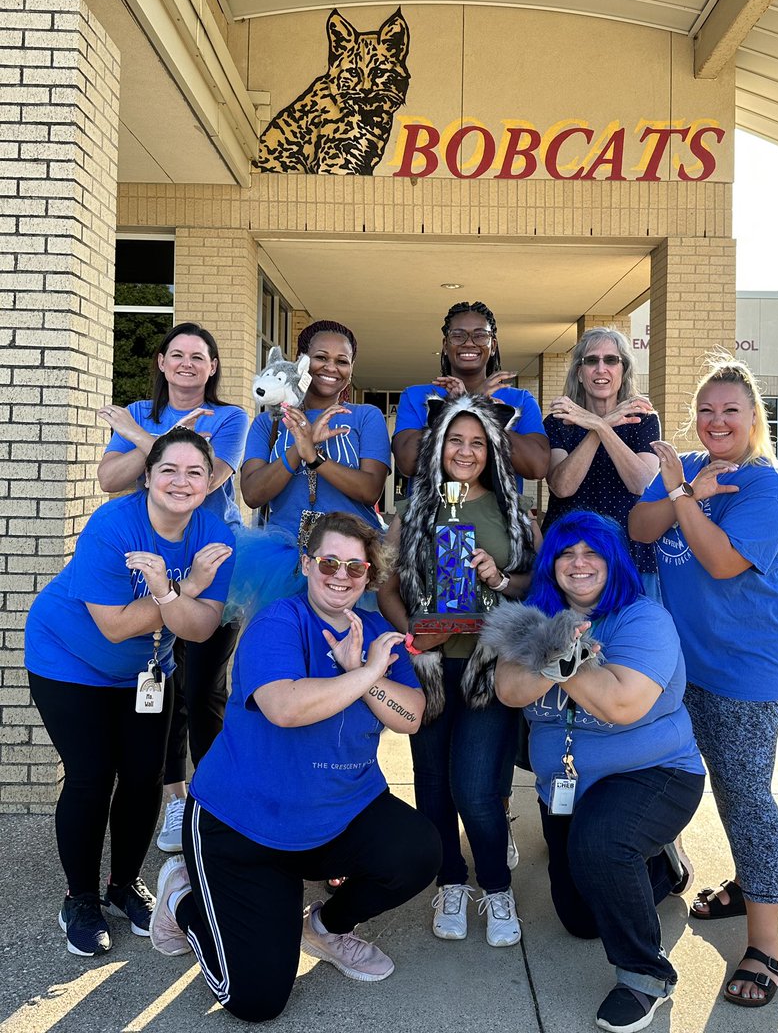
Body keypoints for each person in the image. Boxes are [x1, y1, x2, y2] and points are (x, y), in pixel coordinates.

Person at [148, 512, 440, 1024]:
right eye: (329, 561)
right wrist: (370, 671)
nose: (341, 575)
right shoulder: (278, 622)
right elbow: (285, 707)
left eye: (355, 566)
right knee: (256, 1001)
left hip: (335, 816)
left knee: (417, 851)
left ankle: (324, 928)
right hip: (244, 827)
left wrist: (362, 673)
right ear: (307, 564)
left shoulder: (375, 631)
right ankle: (182, 903)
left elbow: (410, 716)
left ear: (369, 574)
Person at [489, 511, 705, 1033]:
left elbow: (622, 704)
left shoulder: (643, 618)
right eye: (566, 553)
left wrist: (566, 660)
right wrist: (563, 651)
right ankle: (660, 868)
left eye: (592, 553)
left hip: (654, 771)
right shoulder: (529, 618)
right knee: (581, 919)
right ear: (551, 565)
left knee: (601, 843)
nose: (579, 563)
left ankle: (645, 976)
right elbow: (509, 691)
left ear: (613, 562)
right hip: (567, 786)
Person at [26, 427, 235, 957]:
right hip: (68, 659)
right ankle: (81, 898)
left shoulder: (215, 537)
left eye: (195, 472)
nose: (181, 481)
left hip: (146, 669)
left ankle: (122, 887)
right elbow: (114, 626)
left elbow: (199, 630)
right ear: (147, 476)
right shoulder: (114, 524)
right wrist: (182, 591)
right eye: (168, 470)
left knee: (144, 778)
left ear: (210, 481)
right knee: (92, 777)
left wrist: (172, 593)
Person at [630, 356, 778, 1010]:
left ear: (753, 415)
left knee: (747, 799)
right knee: (712, 789)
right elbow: (642, 530)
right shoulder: (689, 471)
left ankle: (765, 943)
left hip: (744, 670)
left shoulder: (767, 487)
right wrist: (684, 492)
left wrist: (681, 498)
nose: (717, 420)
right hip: (682, 665)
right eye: (706, 409)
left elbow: (723, 562)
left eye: (730, 409)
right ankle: (740, 883)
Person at [378, 393, 536, 947]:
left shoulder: (510, 508)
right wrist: (411, 636)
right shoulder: (417, 506)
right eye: (454, 440)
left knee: (475, 789)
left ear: (491, 449)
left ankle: (496, 887)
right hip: (430, 672)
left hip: (488, 668)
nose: (465, 451)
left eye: (476, 442)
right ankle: (450, 880)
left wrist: (496, 578)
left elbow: (533, 584)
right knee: (434, 790)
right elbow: (386, 585)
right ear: (437, 446)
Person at [98, 322, 249, 855]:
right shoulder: (141, 410)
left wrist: (145, 445)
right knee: (161, 687)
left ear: (212, 368)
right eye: (178, 354)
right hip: (142, 564)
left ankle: (213, 800)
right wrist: (155, 440)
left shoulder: (230, 417)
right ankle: (177, 798)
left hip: (210, 564)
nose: (188, 363)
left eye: (200, 357)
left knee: (205, 688)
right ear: (161, 362)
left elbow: (206, 479)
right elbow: (111, 480)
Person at [241, 319, 390, 542]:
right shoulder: (268, 422)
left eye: (342, 361)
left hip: (351, 556)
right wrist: (299, 448)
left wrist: (314, 457)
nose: (331, 367)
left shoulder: (366, 417)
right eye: (321, 357)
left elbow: (370, 491)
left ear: (351, 368)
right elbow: (252, 495)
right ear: (301, 360)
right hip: (283, 554)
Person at [543, 327, 660, 598]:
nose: (601, 368)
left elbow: (640, 483)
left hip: (628, 556)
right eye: (591, 361)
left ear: (623, 370)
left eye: (611, 360)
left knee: (632, 638)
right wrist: (601, 426)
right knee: (565, 639)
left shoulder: (642, 419)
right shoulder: (558, 422)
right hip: (570, 561)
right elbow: (562, 486)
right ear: (579, 373)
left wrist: (599, 426)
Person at [391, 300, 549, 487]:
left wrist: (480, 407)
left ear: (493, 345)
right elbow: (407, 463)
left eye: (480, 335)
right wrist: (456, 406)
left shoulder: (520, 400)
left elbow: (537, 468)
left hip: (499, 515)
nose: (469, 343)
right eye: (458, 336)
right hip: (431, 514)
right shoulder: (415, 396)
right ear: (445, 345)